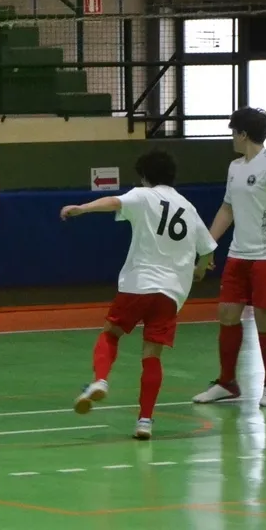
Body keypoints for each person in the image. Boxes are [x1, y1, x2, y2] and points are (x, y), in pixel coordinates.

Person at [61, 150, 217, 440]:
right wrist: (199, 270)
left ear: (145, 177)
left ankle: (101, 380)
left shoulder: (143, 195)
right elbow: (208, 249)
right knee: (152, 355)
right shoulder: (188, 206)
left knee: (111, 334)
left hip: (139, 283)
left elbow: (113, 201)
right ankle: (144, 421)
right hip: (171, 293)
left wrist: (82, 208)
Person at [192, 107, 266, 408]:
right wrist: (207, 246)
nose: (232, 137)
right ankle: (227, 383)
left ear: (243, 134)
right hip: (238, 254)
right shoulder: (235, 167)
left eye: (234, 132)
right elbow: (227, 209)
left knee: (264, 319)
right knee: (227, 314)